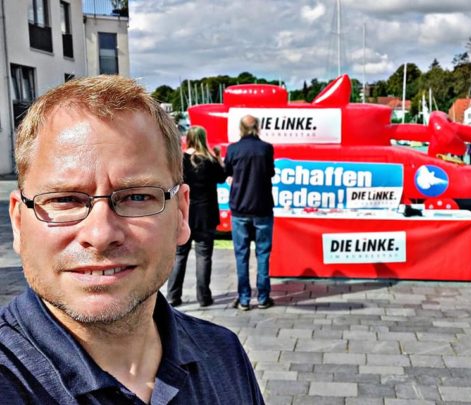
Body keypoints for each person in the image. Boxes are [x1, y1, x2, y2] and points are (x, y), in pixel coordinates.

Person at [0, 76, 264, 404]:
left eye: (137, 197)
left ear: (181, 214)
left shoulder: (226, 357)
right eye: (65, 199)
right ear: (18, 223)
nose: (100, 234)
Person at [166, 126, 226, 307]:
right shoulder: (210, 161)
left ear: (189, 139)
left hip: (184, 214)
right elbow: (222, 177)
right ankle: (204, 297)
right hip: (206, 215)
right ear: (203, 138)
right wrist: (218, 158)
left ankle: (173, 296)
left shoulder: (180, 161)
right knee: (204, 256)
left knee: (180, 255)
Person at [224, 115, 275, 311]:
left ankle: (244, 298)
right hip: (262, 207)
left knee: (241, 255)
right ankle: (263, 297)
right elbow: (270, 172)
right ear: (258, 128)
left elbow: (226, 171)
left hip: (240, 207)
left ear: (241, 128)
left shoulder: (234, 149)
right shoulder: (266, 148)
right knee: (263, 254)